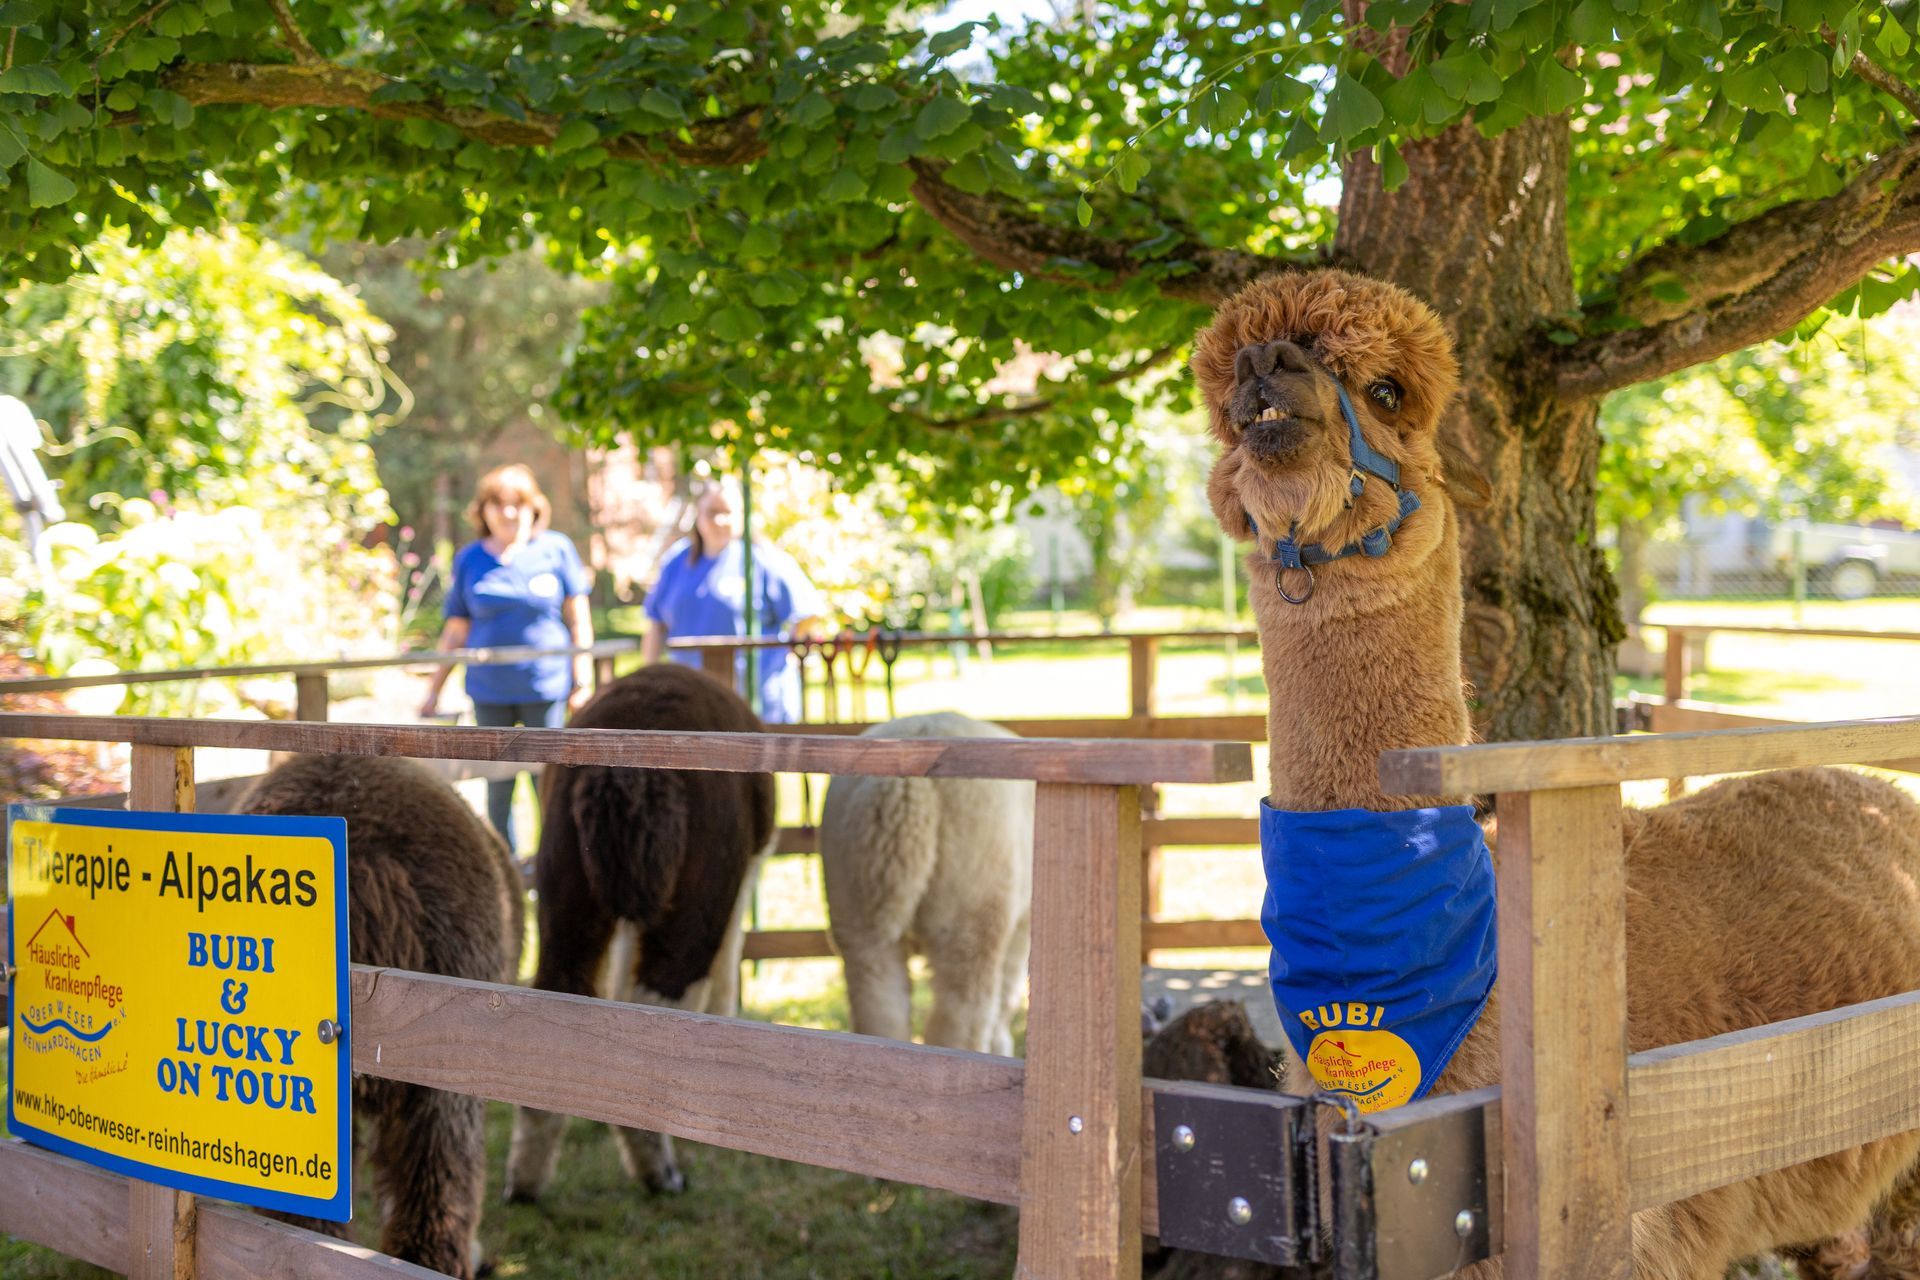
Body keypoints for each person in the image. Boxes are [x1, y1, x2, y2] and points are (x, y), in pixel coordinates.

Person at [419, 463, 594, 852]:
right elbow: (455, 631)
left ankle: (551, 867)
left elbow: (578, 620)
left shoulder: (555, 549)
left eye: (518, 504)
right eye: (498, 504)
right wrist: (433, 690)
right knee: (498, 786)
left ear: (535, 508)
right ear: (483, 511)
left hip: (544, 686)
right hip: (489, 690)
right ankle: (507, 870)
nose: (509, 513)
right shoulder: (470, 560)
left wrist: (582, 680)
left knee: (546, 783)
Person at [641, 479, 826, 724]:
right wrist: (649, 678)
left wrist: (791, 651)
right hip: (692, 701)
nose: (719, 521)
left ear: (742, 515)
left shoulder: (762, 559)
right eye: (712, 512)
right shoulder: (677, 561)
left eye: (727, 512)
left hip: (758, 701)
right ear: (698, 515)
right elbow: (656, 624)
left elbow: (807, 613)